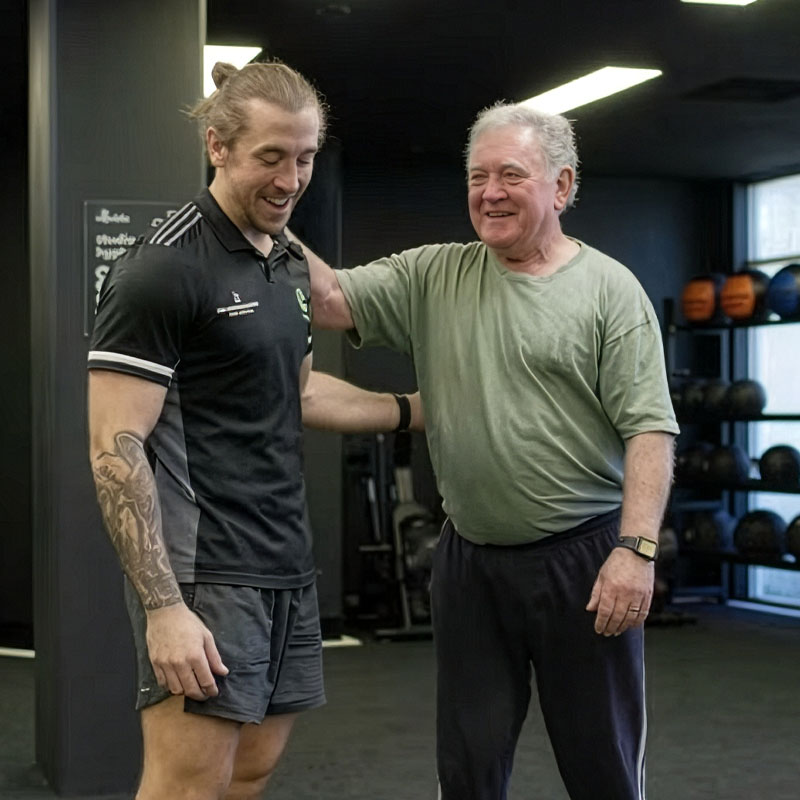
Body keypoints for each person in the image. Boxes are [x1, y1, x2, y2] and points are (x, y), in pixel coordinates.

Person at [303, 102, 679, 800]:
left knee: (604, 769)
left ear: (562, 187)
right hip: (470, 561)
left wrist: (636, 550)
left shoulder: (609, 291)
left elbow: (650, 429)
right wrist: (255, 191)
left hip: (583, 561)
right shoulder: (434, 274)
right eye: (478, 176)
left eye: (512, 174)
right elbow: (324, 296)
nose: (490, 192)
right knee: (469, 767)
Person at [87, 61, 420, 800]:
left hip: (283, 560)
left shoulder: (287, 263)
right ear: (218, 147)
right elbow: (116, 449)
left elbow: (297, 392)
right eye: (271, 156)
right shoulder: (162, 270)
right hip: (204, 572)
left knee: (250, 774)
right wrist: (164, 606)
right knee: (186, 784)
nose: (291, 178)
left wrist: (415, 410)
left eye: (304, 157)